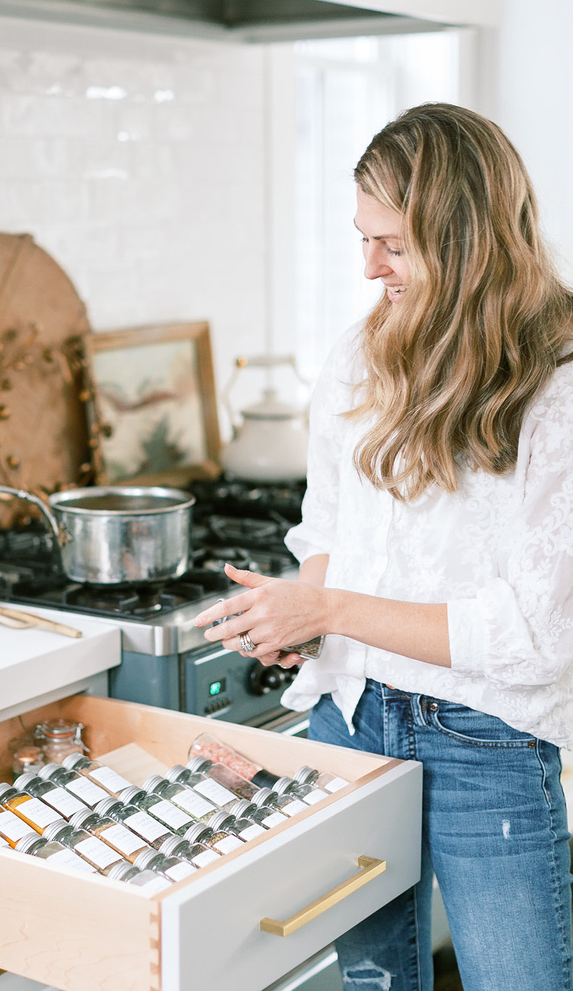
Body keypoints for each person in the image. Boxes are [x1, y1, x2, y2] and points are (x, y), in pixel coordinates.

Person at [194, 102, 573, 991]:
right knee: (372, 983)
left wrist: (326, 607)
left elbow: (535, 635)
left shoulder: (555, 383)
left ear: (466, 236)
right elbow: (328, 525)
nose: (369, 268)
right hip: (351, 718)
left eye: (393, 245)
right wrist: (299, 614)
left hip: (485, 739)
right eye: (362, 239)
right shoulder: (360, 356)